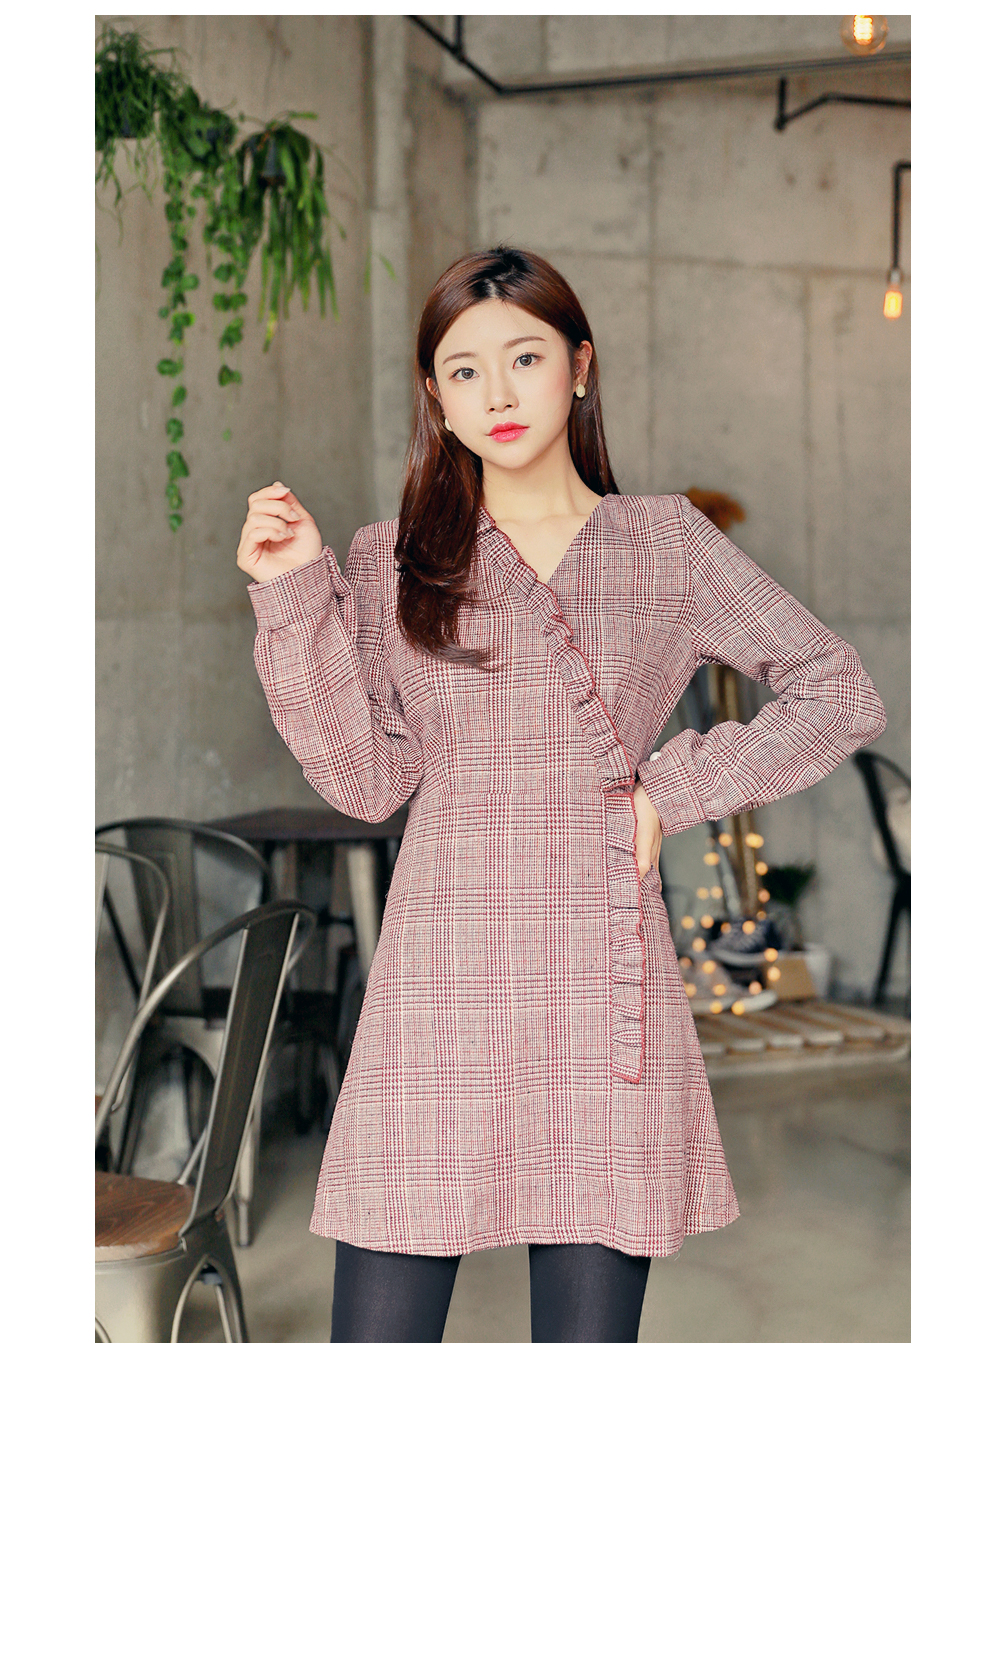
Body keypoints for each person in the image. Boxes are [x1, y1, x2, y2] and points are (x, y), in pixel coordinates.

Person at [236, 245, 886, 1343]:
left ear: (579, 367)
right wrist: (295, 594)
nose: (497, 392)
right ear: (437, 399)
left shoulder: (666, 545)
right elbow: (366, 779)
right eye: (464, 370)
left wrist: (667, 792)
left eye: (524, 357)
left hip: (598, 977)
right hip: (437, 984)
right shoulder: (392, 560)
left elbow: (839, 690)